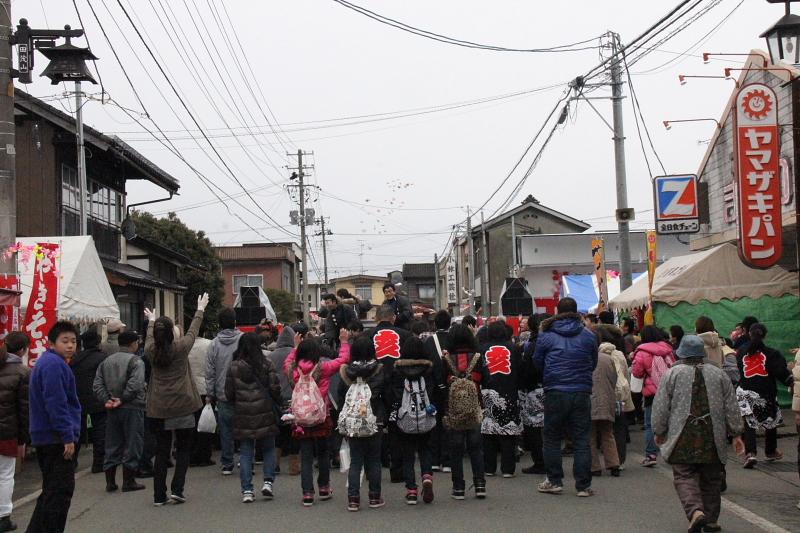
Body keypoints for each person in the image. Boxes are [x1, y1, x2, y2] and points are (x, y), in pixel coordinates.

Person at [652, 335, 744, 533]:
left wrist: (659, 431)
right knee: (712, 477)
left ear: (681, 353)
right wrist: (737, 433)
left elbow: (661, 406)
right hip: (713, 433)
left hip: (682, 433)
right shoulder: (718, 374)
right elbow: (731, 405)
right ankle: (711, 520)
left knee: (684, 475)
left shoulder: (672, 373)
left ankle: (695, 512)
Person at [144, 293, 209, 506]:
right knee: (183, 449)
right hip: (183, 405)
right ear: (172, 334)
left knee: (162, 451)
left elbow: (149, 338)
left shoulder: (150, 351)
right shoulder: (180, 349)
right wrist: (200, 309)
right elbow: (192, 332)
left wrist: (151, 322)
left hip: (159, 407)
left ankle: (158, 495)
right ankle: (177, 490)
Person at [533, 297, 598, 497]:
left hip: (555, 389)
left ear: (557, 311)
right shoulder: (588, 335)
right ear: (577, 311)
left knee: (552, 437)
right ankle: (583, 485)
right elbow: (592, 361)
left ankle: (554, 480)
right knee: (581, 439)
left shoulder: (546, 335)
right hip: (581, 390)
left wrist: (550, 376)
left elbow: (537, 361)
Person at [26, 321, 81, 533]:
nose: (70, 345)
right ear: (51, 343)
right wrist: (67, 436)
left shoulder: (50, 362)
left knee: (51, 492)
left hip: (48, 436)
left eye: (73, 341)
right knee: (59, 493)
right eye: (64, 341)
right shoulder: (53, 365)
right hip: (55, 438)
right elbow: (56, 403)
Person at [285, 330, 351, 507]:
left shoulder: (293, 369)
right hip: (321, 416)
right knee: (323, 453)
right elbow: (342, 361)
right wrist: (344, 342)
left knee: (306, 456)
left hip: (301, 418)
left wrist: (296, 347)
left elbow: (288, 361)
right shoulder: (323, 368)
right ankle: (324, 487)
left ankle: (307, 493)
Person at [225, 333, 282, 503]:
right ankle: (268, 482)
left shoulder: (234, 366)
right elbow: (275, 388)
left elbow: (228, 393)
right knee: (269, 448)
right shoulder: (267, 364)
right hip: (265, 411)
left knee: (246, 451)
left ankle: (247, 490)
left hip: (243, 413)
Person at [336, 336, 388, 511]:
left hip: (353, 422)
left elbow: (340, 396)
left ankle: (353, 499)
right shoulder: (379, 369)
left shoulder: (346, 371)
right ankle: (374, 497)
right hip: (375, 419)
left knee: (355, 461)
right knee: (374, 460)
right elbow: (385, 395)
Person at [93, 330, 146, 493]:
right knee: (132, 442)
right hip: (132, 406)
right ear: (133, 344)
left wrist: (107, 399)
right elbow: (136, 384)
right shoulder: (136, 361)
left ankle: (110, 481)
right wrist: (123, 399)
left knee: (112, 443)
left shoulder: (106, 361)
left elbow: (97, 384)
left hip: (111, 407)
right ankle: (128, 480)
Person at [736, 323, 792, 468]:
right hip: (766, 391)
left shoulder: (741, 351)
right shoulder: (771, 353)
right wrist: (791, 381)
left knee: (749, 423)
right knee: (770, 421)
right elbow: (781, 373)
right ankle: (770, 450)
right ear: (765, 336)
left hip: (746, 391)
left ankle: (750, 454)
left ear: (749, 334)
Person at [368, 305, 412, 482]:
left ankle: (374, 469)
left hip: (374, 387)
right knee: (396, 428)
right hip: (398, 386)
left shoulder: (367, 336)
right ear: (393, 318)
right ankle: (397, 470)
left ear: (376, 318)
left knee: (374, 426)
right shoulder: (405, 335)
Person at [390, 337, 436, 505]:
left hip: (406, 417)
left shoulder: (397, 371)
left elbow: (394, 394)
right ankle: (427, 476)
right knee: (425, 449)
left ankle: (411, 490)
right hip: (425, 416)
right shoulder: (428, 369)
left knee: (408, 454)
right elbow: (434, 391)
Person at [443, 323, 486, 499]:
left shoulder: (447, 359)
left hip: (454, 410)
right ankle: (480, 485)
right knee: (476, 449)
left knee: (456, 449)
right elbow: (486, 378)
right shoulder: (477, 357)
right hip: (474, 406)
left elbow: (441, 382)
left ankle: (458, 487)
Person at [480, 321, 522, 478]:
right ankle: (508, 468)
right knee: (508, 430)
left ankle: (489, 467)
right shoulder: (514, 348)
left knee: (489, 431)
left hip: (488, 393)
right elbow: (520, 369)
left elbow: (478, 373)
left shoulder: (482, 348)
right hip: (509, 392)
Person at [205, 307, 242, 476]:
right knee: (244, 426)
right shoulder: (243, 339)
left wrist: (209, 393)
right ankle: (244, 458)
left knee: (226, 429)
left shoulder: (214, 344)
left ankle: (227, 463)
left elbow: (210, 371)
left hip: (222, 392)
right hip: (242, 391)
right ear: (235, 322)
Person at [631, 325, 676, 467]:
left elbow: (637, 373)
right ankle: (674, 453)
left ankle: (651, 455)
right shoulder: (668, 350)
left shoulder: (642, 352)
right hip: (669, 391)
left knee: (650, 424)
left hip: (652, 393)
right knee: (671, 423)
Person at [0, 333, 29, 533]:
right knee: (5, 475)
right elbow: (25, 409)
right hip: (7, 432)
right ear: (22, 350)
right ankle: (3, 517)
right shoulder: (22, 372)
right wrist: (24, 438)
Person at [70, 329, 108, 473]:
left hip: (79, 399)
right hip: (98, 399)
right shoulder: (102, 357)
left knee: (78, 432)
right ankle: (98, 463)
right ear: (97, 342)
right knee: (100, 432)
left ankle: (72, 462)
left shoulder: (75, 359)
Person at [596, 327, 634, 470]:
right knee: (618, 429)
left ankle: (597, 464)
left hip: (603, 394)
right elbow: (624, 373)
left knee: (599, 430)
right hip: (620, 394)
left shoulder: (596, 355)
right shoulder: (619, 353)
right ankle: (618, 460)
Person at [267, 326, 298, 476]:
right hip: (294, 398)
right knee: (294, 433)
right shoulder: (295, 355)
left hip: (278, 399)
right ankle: (294, 467)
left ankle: (275, 465)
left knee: (279, 434)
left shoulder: (271, 356)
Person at [423, 310, 452, 473]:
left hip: (432, 389)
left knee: (433, 423)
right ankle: (447, 461)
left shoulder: (428, 342)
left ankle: (434, 460)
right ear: (449, 324)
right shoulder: (453, 340)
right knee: (448, 423)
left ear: (435, 324)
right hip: (450, 387)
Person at [520, 314, 547, 475]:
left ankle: (540, 462)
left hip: (535, 388)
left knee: (534, 427)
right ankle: (551, 461)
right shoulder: (553, 340)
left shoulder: (532, 344)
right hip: (554, 386)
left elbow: (529, 368)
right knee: (552, 427)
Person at [590, 341, 620, 477]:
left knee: (590, 435)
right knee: (608, 433)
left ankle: (594, 467)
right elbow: (614, 378)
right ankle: (613, 464)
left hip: (590, 399)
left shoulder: (585, 358)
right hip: (607, 398)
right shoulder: (608, 359)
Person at [187, 336, 214, 467]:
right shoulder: (209, 344)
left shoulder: (186, 345)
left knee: (192, 423)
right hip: (205, 388)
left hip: (190, 388)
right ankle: (204, 455)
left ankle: (191, 454)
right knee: (205, 423)